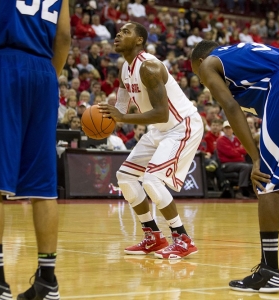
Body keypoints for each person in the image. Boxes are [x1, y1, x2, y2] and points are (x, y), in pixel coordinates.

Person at [99, 22, 203, 259]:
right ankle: (153, 237)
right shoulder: (125, 68)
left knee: (152, 180)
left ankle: (183, 239)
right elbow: (123, 100)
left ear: (139, 41)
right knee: (125, 177)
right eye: (119, 31)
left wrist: (123, 116)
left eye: (126, 32)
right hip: (160, 129)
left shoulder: (150, 67)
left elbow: (161, 112)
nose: (118, 34)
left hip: (181, 125)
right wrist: (108, 119)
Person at [191, 40, 279, 293]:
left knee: (267, 181)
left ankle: (268, 272)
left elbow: (231, 108)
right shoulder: (241, 57)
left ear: (200, 63)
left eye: (197, 76)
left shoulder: (210, 64)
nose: (203, 82)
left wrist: (255, 158)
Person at [0, 0, 70, 299]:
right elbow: (63, 38)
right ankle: (47, 281)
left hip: (3, 66)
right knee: (43, 186)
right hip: (43, 72)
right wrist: (49, 74)